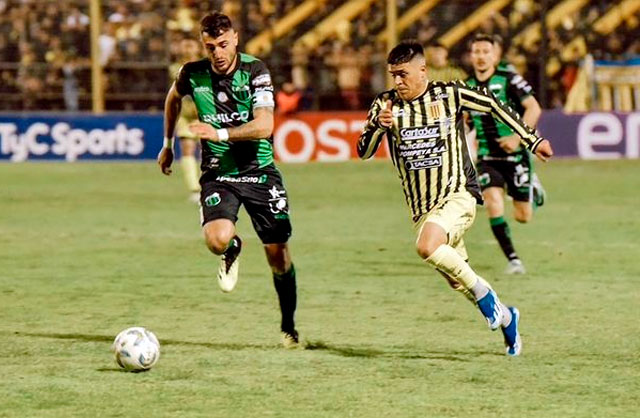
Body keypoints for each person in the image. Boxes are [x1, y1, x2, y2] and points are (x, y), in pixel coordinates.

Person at [358, 40, 553, 356]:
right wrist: (378, 128)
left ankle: (487, 298)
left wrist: (531, 140)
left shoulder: (450, 94)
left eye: (403, 74)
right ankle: (507, 317)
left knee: (427, 247)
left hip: (458, 194)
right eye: (393, 75)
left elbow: (493, 104)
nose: (397, 81)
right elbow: (363, 151)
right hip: (422, 209)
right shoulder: (385, 104)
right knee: (456, 279)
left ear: (423, 70)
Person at [157, 12, 299, 348]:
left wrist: (219, 133)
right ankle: (232, 246)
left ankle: (288, 326)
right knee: (216, 240)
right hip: (218, 173)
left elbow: (265, 126)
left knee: (278, 256)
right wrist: (167, 144)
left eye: (223, 44)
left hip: (260, 171)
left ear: (235, 38)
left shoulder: (255, 71)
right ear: (202, 44)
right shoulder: (192, 73)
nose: (218, 52)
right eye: (210, 47)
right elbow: (173, 98)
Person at [466, 33, 546, 275]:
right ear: (471, 56)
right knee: (493, 202)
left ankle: (532, 187)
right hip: (487, 158)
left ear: (495, 55)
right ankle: (513, 260)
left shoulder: (508, 79)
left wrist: (517, 138)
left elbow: (534, 108)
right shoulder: (467, 86)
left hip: (516, 156)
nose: (481, 56)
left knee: (523, 216)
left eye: (486, 52)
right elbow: (466, 120)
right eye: (477, 52)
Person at [169, 38, 203, 202]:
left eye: (191, 45)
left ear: (198, 48)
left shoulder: (207, 66)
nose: (188, 49)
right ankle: (195, 188)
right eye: (185, 46)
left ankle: (211, 186)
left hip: (206, 114)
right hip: (185, 115)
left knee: (210, 151)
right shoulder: (175, 68)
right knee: (187, 148)